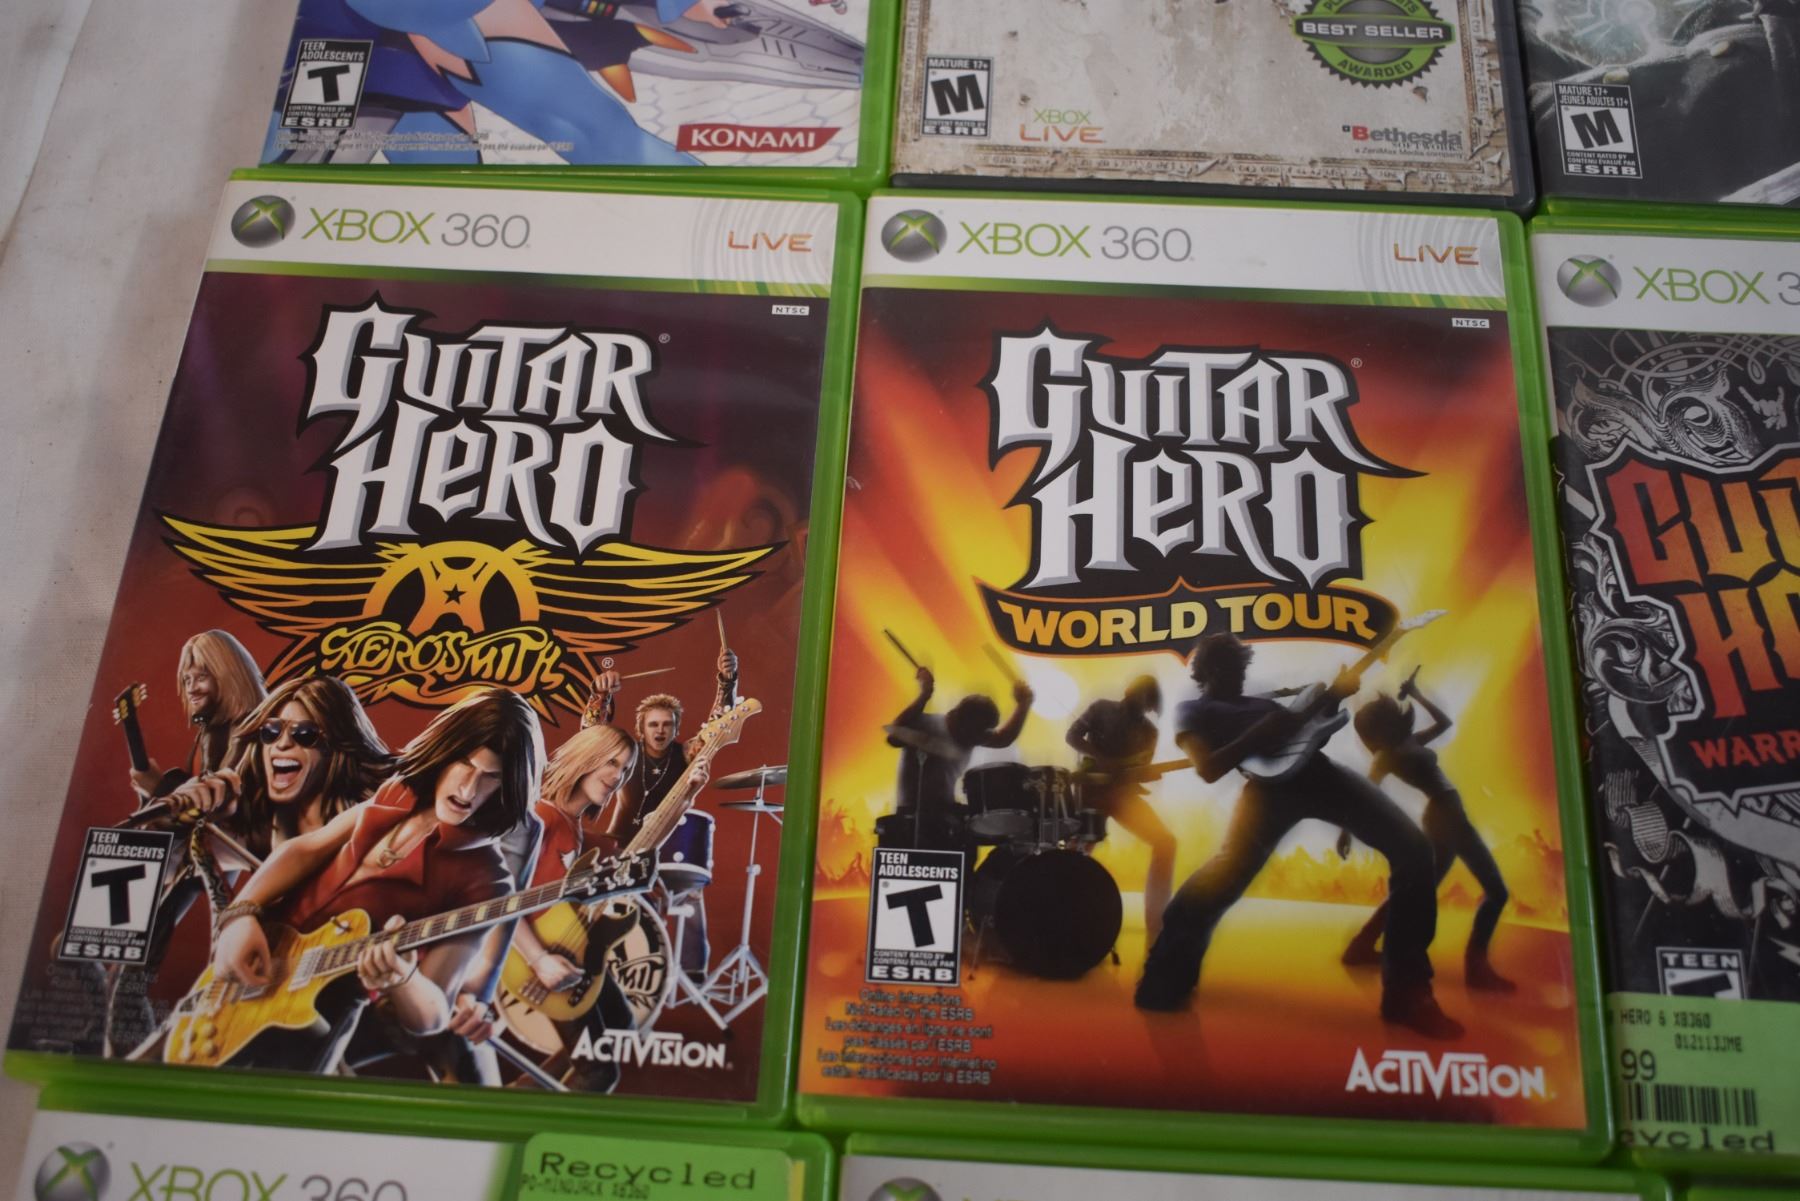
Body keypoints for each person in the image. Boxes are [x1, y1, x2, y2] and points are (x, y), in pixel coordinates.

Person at [1136, 634, 1460, 1039]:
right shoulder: (1193, 711)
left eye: (1242, 670)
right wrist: (1260, 733)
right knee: (1221, 878)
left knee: (1414, 850)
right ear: (1212, 671)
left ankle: (1408, 995)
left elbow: (1308, 735)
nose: (1241, 678)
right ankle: (1164, 979)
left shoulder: (1267, 703)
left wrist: (1335, 698)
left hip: (1318, 774)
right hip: (1266, 794)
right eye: (1234, 670)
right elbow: (1208, 769)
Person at [205, 688, 542, 1072]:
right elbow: (307, 848)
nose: (468, 790)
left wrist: (402, 977)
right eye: (464, 764)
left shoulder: (486, 878)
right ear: (444, 751)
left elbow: (434, 1013)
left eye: (491, 777)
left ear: (508, 785)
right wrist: (241, 914)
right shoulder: (398, 793)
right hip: (260, 958)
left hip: (314, 1017)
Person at [1339, 670, 1514, 991]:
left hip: (1449, 816)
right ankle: (1476, 969)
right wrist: (1347, 830)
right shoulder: (1387, 755)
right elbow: (1367, 793)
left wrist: (1417, 693)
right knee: (1493, 892)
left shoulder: (1408, 742)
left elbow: (1444, 723)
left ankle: (1361, 945)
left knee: (1418, 890)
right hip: (1445, 819)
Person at [599, 647, 738, 978]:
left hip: (660, 853)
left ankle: (690, 974)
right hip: (617, 847)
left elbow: (719, 725)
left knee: (690, 893)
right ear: (641, 728)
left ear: (676, 729)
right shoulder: (626, 753)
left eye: (667, 725)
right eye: (653, 725)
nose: (660, 731)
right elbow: (593, 733)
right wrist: (600, 694)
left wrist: (727, 681)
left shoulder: (687, 753)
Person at [1067, 676, 1177, 940]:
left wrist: (1146, 775)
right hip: (1090, 793)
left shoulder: (1150, 732)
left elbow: (1139, 770)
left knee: (1166, 843)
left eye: (1147, 700)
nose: (1141, 703)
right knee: (1077, 855)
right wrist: (1100, 757)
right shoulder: (1101, 708)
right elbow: (1072, 735)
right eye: (1139, 695)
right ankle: (1060, 912)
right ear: (1129, 691)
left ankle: (1156, 924)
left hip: (1122, 796)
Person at [885, 666, 1033, 849]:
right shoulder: (925, 723)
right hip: (913, 813)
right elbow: (893, 737)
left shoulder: (972, 733)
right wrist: (924, 695)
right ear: (955, 717)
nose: (977, 739)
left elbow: (1004, 738)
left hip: (944, 811)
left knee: (999, 831)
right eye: (976, 734)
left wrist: (1024, 704)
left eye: (980, 735)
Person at [129, 629, 266, 799]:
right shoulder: (210, 729)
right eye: (187, 680)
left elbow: (226, 803)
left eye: (201, 677)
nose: (191, 689)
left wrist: (160, 788)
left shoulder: (251, 731)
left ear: (229, 678)